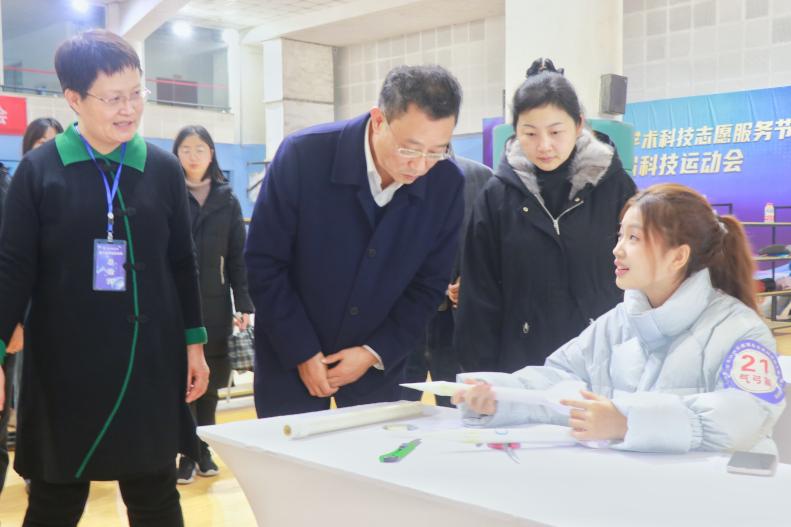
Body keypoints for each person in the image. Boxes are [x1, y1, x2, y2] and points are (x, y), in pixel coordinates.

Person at [0, 30, 209, 525]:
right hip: (64, 367)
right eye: (113, 98)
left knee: (156, 496)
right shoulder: (39, 171)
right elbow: (12, 268)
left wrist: (194, 344)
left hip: (148, 363)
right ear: (74, 98)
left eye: (136, 93)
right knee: (55, 499)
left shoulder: (161, 168)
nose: (129, 109)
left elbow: (183, 262)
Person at [454, 183, 786, 454]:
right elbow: (560, 379)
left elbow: (746, 413)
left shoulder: (741, 330)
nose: (617, 250)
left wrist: (627, 423)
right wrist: (500, 395)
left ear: (678, 257)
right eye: (620, 235)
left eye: (634, 238)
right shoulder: (617, 322)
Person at [246, 65, 465, 417]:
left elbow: (427, 286)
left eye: (437, 151)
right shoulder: (304, 157)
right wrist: (301, 351)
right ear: (378, 120)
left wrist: (372, 352)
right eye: (409, 150)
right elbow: (263, 263)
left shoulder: (446, 183)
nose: (421, 166)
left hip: (377, 371)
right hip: (289, 363)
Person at [455, 58, 637, 374]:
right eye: (530, 133)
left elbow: (640, 278)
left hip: (601, 363)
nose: (544, 146)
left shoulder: (615, 187)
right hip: (521, 366)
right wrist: (480, 376)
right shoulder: (497, 196)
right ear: (515, 131)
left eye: (555, 131)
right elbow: (479, 295)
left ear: (578, 125)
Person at [173, 125, 254, 484]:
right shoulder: (169, 194)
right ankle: (186, 452)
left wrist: (243, 303)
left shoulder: (227, 199)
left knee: (211, 381)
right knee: (181, 379)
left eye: (200, 149)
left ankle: (203, 448)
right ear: (176, 154)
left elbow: (237, 258)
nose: (193, 156)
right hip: (176, 305)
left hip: (216, 304)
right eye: (186, 149)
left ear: (211, 155)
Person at [0, 116, 64, 495]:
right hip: (18, 314)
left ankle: (41, 464)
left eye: (53, 141)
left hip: (43, 316)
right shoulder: (18, 187)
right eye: (40, 143)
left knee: (34, 396)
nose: (47, 149)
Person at [402, 154, 493, 406]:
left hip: (456, 321)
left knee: (456, 408)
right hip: (404, 318)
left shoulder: (480, 176)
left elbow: (496, 244)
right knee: (395, 410)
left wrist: (473, 279)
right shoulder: (393, 175)